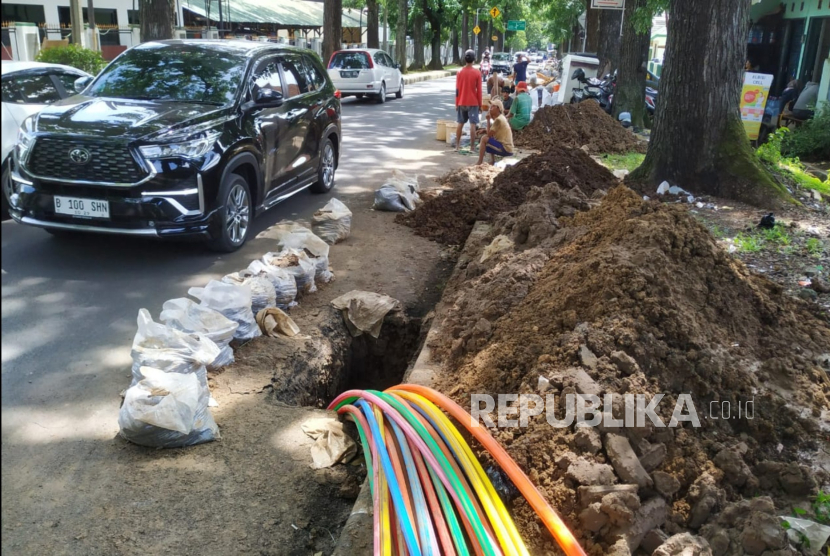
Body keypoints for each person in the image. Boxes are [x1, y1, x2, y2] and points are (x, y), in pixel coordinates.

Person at [455, 49, 483, 151]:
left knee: (460, 123)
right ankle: (472, 147)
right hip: (473, 102)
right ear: (474, 60)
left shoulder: (459, 72)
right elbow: (479, 91)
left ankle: (457, 146)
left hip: (461, 101)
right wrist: (480, 105)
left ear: (465, 59)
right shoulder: (477, 73)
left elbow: (457, 90)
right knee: (472, 124)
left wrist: (456, 103)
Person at [476, 99, 514, 165]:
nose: (490, 108)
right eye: (491, 106)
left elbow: (489, 134)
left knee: (484, 138)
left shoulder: (498, 120)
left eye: (493, 106)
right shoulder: (501, 117)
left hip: (505, 148)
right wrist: (484, 130)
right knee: (490, 139)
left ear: (498, 108)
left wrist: (488, 120)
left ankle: (480, 162)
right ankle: (492, 161)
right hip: (508, 148)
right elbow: (493, 130)